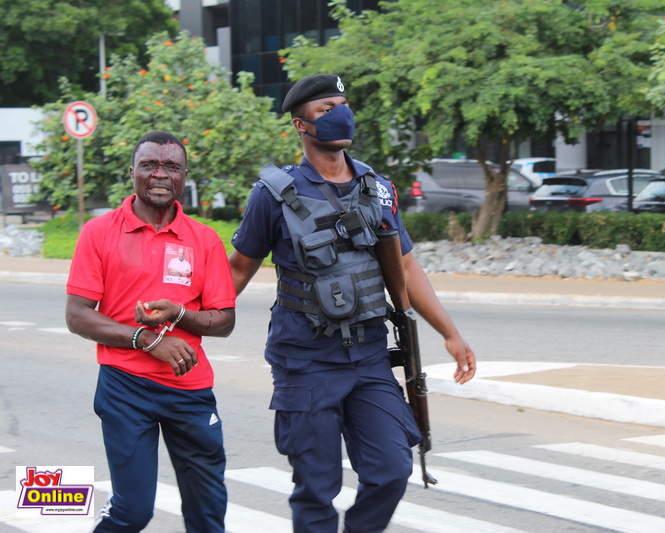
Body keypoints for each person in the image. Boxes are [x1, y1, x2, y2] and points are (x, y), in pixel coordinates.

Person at [228, 74, 476, 532]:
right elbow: (238, 269)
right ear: (301, 125)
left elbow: (405, 267)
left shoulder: (377, 187)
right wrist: (190, 317)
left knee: (391, 471)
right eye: (326, 108)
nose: (340, 113)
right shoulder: (272, 194)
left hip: (368, 357)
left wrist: (450, 332)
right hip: (305, 360)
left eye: (343, 104)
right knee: (316, 488)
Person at [65, 130, 236, 533]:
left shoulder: (205, 239)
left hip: (190, 390)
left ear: (184, 176)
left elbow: (224, 321)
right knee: (132, 511)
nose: (160, 174)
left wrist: (178, 313)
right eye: (150, 165)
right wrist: (149, 339)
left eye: (171, 167)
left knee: (208, 513)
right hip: (124, 388)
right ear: (133, 173)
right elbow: (77, 315)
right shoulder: (99, 232)